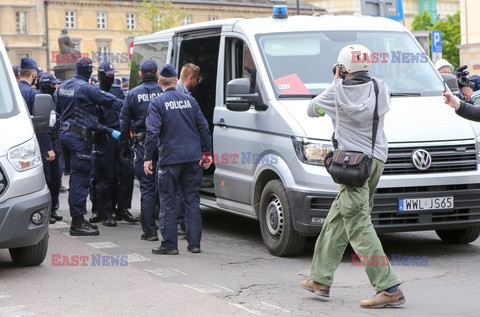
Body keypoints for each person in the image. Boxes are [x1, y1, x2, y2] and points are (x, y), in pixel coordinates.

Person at [301, 44, 404, 309]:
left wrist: (334, 82)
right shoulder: (381, 88)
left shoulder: (335, 93)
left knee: (358, 224)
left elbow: (312, 110)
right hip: (376, 161)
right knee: (339, 217)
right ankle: (320, 279)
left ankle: (388, 287)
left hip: (351, 166)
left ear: (342, 68)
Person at [143, 64, 213, 255]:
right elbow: (203, 127)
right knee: (192, 200)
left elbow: (152, 132)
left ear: (159, 82)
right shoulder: (190, 100)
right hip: (192, 158)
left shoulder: (157, 103)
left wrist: (148, 157)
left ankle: (169, 245)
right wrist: (207, 153)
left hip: (169, 160)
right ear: (176, 81)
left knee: (168, 201)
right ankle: (194, 244)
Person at [55, 57, 124, 236]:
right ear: (89, 71)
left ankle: (79, 219)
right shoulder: (86, 88)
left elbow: (58, 111)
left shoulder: (63, 86)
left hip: (64, 135)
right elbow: (110, 101)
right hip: (79, 139)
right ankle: (78, 222)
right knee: (80, 180)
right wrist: (129, 105)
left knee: (73, 178)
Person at [89, 61, 136, 227]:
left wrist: (128, 133)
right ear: (101, 75)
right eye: (108, 75)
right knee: (105, 177)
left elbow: (126, 111)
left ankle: (122, 208)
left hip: (120, 137)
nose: (111, 77)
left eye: (112, 74)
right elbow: (92, 121)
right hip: (103, 138)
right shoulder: (94, 92)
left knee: (127, 173)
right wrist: (109, 131)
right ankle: (105, 212)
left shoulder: (117, 90)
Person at [120, 60, 163, 241]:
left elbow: (124, 121)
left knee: (146, 188)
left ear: (140, 74)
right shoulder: (163, 92)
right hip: (164, 143)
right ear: (157, 73)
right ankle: (173, 226)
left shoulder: (132, 94)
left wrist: (123, 145)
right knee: (167, 186)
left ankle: (150, 231)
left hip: (143, 143)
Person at [18, 58, 58, 224]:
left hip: (14, 144)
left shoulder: (12, 91)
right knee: (44, 180)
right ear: (34, 74)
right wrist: (48, 147)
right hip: (33, 144)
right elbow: (40, 124)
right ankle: (42, 217)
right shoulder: (32, 94)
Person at [175, 63, 202, 235]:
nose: (198, 83)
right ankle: (183, 225)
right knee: (183, 191)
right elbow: (201, 126)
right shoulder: (181, 97)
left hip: (176, 151)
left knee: (182, 190)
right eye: (197, 80)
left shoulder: (184, 95)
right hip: (182, 151)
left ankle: (184, 225)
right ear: (191, 78)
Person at [38, 73, 64, 222]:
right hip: (46, 144)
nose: (56, 87)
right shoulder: (40, 100)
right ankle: (45, 213)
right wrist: (48, 148)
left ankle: (53, 209)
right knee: (47, 179)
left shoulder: (53, 98)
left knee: (56, 179)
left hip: (55, 141)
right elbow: (42, 127)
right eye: (53, 84)